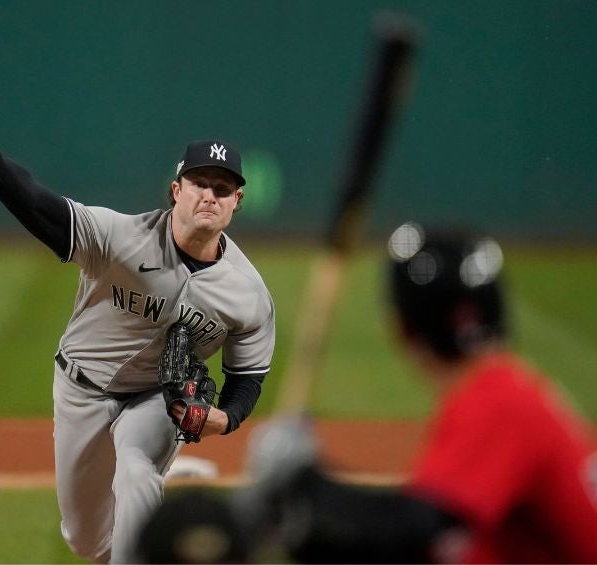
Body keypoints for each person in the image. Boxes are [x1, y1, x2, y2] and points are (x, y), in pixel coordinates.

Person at [0, 95, 275, 563]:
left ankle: (152, 499)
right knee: (86, 540)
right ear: (176, 191)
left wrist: (226, 417)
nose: (209, 195)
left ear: (237, 200)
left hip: (159, 397)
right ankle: (158, 497)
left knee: (136, 472)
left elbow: (247, 376)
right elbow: (31, 200)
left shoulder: (248, 293)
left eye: (222, 187)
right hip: (81, 389)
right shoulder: (118, 238)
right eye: (199, 183)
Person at [237, 222, 597, 563]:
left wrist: (304, 482)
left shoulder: (497, 400)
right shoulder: (510, 387)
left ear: (403, 328)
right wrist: (303, 512)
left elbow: (415, 533)